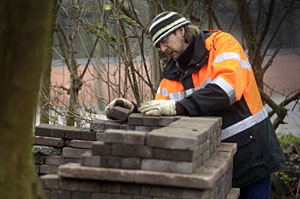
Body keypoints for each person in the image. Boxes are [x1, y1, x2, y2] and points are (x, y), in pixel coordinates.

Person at [105, 11, 285, 199]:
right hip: (218, 163)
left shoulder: (221, 44)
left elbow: (227, 91)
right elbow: (162, 111)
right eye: (159, 45)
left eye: (165, 41)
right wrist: (134, 108)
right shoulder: (171, 73)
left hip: (253, 153)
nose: (163, 48)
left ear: (181, 30)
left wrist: (179, 107)